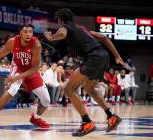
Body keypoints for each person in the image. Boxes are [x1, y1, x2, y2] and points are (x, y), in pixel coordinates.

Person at [44, 8, 126, 136]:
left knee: (68, 89)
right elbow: (104, 37)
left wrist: (51, 38)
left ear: (61, 20)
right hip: (104, 57)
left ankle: (87, 122)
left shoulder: (65, 27)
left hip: (93, 58)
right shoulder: (82, 29)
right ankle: (112, 117)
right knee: (89, 88)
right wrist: (117, 56)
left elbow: (62, 33)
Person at [0, 24, 50, 128]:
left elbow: (35, 68)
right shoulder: (13, 42)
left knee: (46, 100)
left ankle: (35, 118)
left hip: (31, 71)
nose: (28, 34)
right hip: (17, 67)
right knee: (13, 88)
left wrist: (17, 77)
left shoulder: (36, 44)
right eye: (25, 31)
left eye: (30, 31)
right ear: (20, 33)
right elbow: (0, 54)